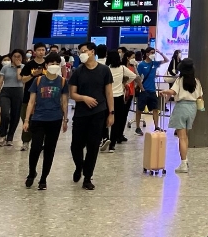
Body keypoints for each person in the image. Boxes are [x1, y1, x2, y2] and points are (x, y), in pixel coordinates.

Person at [67, 42, 114, 190]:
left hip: (98, 113)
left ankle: (87, 177)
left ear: (92, 52)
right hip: (81, 113)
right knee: (76, 146)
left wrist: (111, 113)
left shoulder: (104, 70)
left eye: (84, 51)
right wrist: (84, 98)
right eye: (80, 51)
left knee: (93, 146)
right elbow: (72, 94)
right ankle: (79, 166)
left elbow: (109, 93)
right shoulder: (78, 72)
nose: (82, 54)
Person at [22, 54, 68, 190]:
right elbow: (31, 101)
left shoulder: (62, 82)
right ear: (46, 65)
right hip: (38, 118)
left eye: (56, 63)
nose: (54, 65)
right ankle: (32, 173)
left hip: (55, 119)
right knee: (35, 148)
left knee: (49, 149)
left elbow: (64, 102)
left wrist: (65, 119)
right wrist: (26, 120)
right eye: (51, 63)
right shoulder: (38, 81)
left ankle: (43, 178)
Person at [161, 59, 202, 174]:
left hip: (181, 107)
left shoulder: (179, 80)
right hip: (192, 108)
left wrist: (164, 91)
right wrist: (201, 109)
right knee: (186, 136)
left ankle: (183, 163)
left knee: (181, 137)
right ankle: (185, 161)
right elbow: (200, 97)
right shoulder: (197, 81)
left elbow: (173, 92)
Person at [0, 49, 26, 147]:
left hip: (18, 91)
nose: (16, 58)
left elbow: (20, 79)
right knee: (5, 113)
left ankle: (10, 137)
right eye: (14, 56)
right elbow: (0, 82)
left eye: (19, 56)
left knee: (15, 115)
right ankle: (2, 134)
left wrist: (18, 67)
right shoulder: (5, 67)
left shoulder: (24, 67)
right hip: (6, 91)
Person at [106, 51, 135, 151]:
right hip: (119, 97)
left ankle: (105, 139)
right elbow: (133, 76)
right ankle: (112, 144)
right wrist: (124, 83)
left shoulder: (106, 68)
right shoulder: (122, 68)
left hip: (107, 97)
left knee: (105, 118)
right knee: (117, 121)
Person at [134, 47, 166, 135]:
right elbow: (137, 78)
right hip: (144, 91)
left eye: (154, 52)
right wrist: (142, 88)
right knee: (139, 109)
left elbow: (166, 60)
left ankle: (156, 126)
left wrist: (160, 53)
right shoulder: (141, 65)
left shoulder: (154, 63)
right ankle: (137, 127)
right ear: (147, 54)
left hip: (152, 90)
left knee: (155, 109)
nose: (153, 54)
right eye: (152, 52)